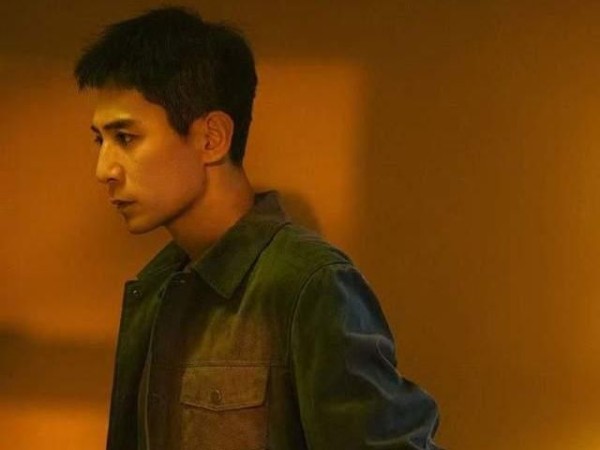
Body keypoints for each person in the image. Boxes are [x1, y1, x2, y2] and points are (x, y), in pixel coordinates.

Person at [74, 6, 443, 450]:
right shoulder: (155, 289)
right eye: (100, 139)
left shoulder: (308, 285)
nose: (104, 169)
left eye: (126, 138)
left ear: (212, 138)